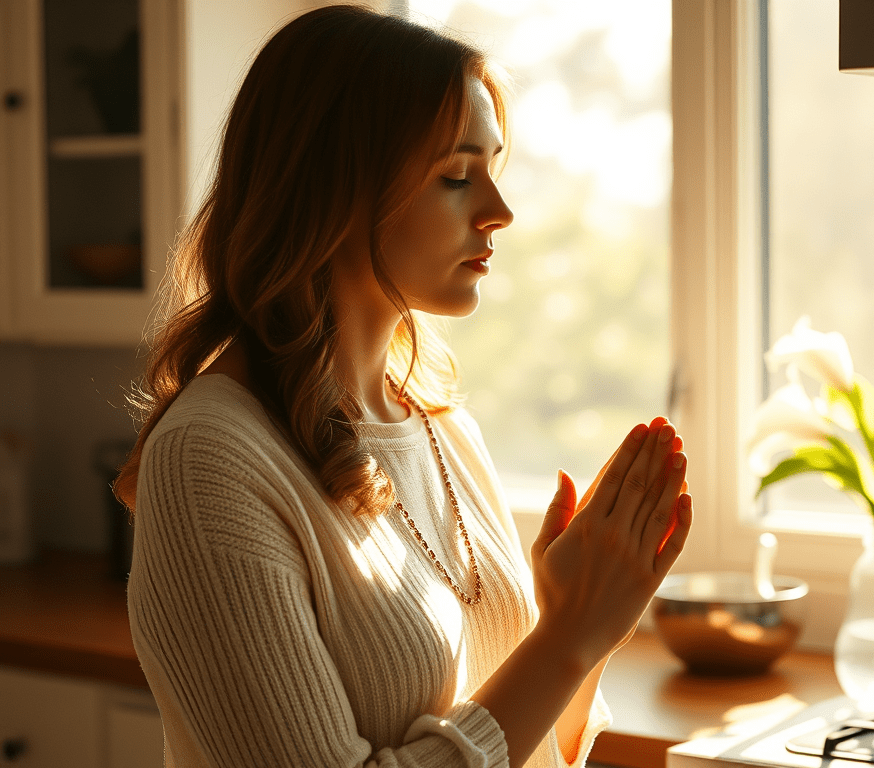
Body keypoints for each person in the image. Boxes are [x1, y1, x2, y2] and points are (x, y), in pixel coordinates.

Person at [114, 5, 693, 768]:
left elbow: (534, 752)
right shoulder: (210, 458)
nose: (500, 211)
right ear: (332, 190)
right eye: (456, 176)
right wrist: (563, 639)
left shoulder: (443, 427)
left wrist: (589, 633)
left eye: (493, 167)